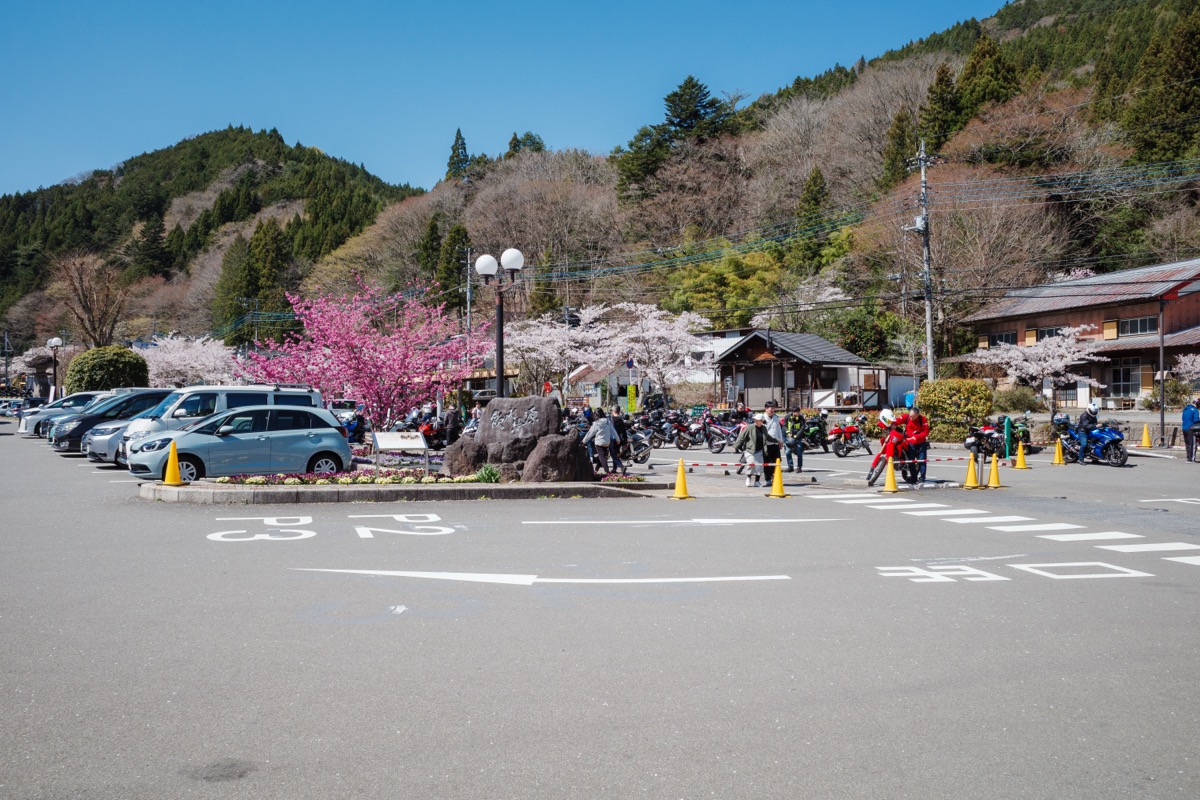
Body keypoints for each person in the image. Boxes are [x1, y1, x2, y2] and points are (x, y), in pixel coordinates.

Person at [733, 413, 776, 488]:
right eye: (755, 419)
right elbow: (741, 437)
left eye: (758, 420)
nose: (756, 421)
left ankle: (757, 481)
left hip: (759, 450)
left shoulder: (764, 428)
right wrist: (736, 446)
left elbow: (768, 437)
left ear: (761, 421)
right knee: (751, 463)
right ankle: (748, 478)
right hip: (750, 450)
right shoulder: (749, 427)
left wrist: (777, 441)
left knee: (759, 466)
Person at [582, 407, 625, 476]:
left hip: (599, 443)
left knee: (602, 458)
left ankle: (607, 472)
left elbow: (590, 433)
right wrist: (618, 439)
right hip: (607, 442)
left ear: (596, 415)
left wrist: (584, 441)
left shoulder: (596, 423)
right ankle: (595, 470)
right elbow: (613, 430)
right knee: (601, 457)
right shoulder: (608, 421)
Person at [903, 404, 930, 482]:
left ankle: (922, 477)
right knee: (911, 460)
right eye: (910, 416)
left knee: (922, 460)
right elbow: (897, 420)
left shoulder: (923, 419)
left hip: (921, 442)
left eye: (913, 416)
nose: (911, 418)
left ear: (917, 415)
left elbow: (926, 432)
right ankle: (913, 477)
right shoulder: (907, 418)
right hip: (911, 443)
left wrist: (916, 437)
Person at [762, 401, 784, 484]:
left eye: (774, 408)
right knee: (767, 462)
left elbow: (779, 430)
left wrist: (780, 440)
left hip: (776, 443)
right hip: (766, 444)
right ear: (766, 409)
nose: (772, 410)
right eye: (771, 408)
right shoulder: (762, 418)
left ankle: (774, 476)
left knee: (777, 460)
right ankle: (767, 479)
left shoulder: (775, 418)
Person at [784, 409, 805, 473]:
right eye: (797, 412)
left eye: (799, 412)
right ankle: (790, 466)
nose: (798, 413)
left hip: (798, 436)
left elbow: (802, 428)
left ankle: (799, 467)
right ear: (793, 412)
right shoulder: (787, 417)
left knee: (799, 451)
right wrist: (788, 432)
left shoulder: (801, 418)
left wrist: (796, 436)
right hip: (789, 436)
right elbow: (785, 426)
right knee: (788, 452)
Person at [1183, 397, 1200, 463]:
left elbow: (1182, 418)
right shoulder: (1195, 410)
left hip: (1184, 428)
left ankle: (1188, 457)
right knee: (1192, 444)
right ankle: (1191, 458)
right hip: (1191, 429)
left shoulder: (1186, 409)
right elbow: (1196, 420)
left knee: (1187, 444)